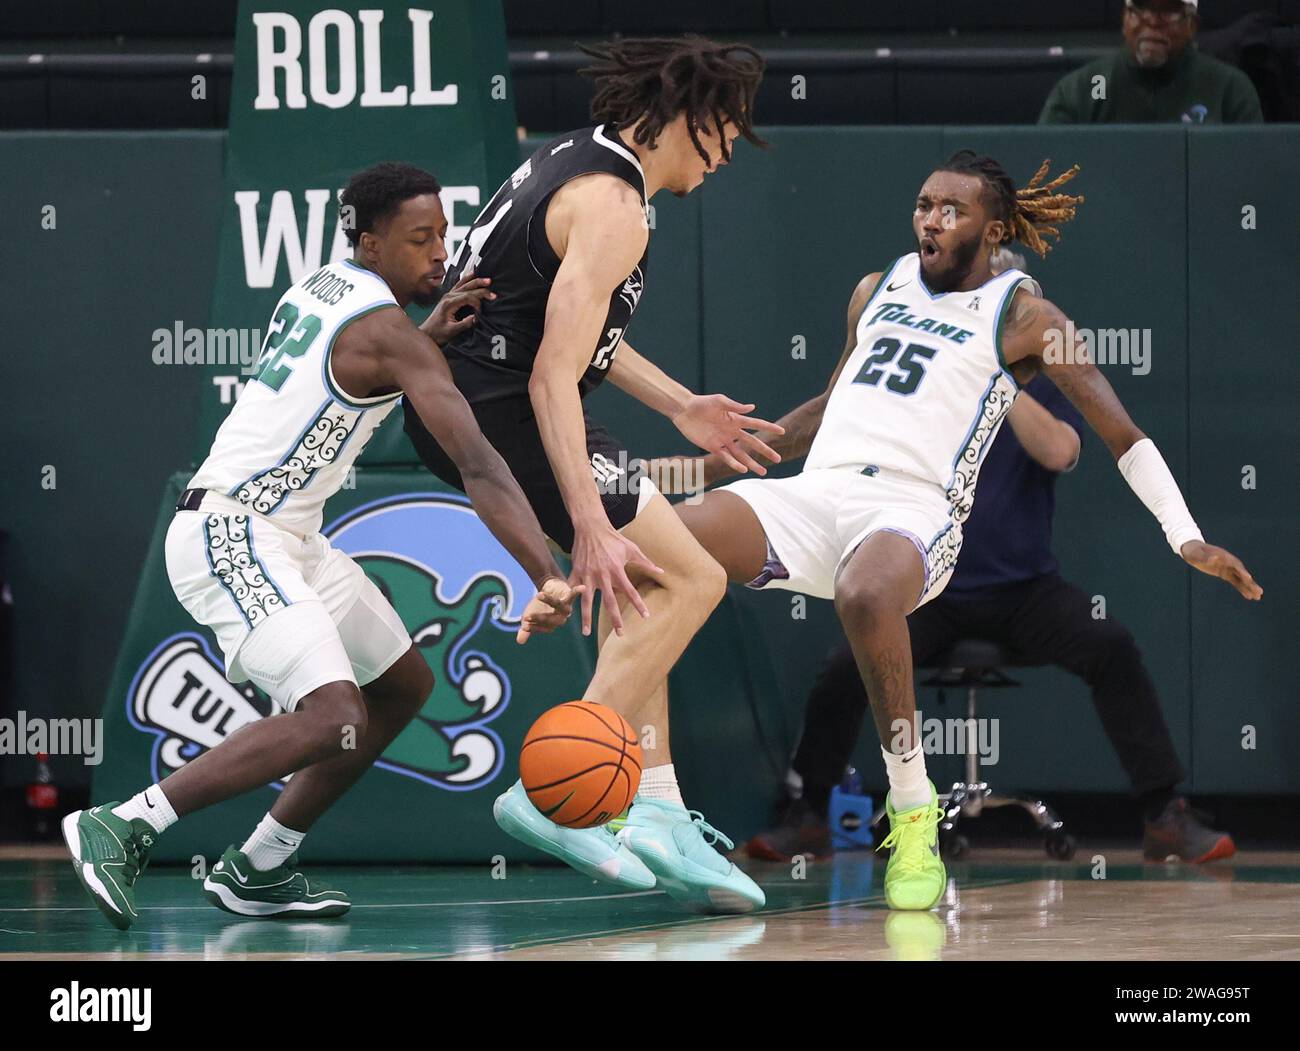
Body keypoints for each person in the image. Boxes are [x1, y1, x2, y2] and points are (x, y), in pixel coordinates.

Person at [651, 150, 1261, 911]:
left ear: (994, 229)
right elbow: (823, 414)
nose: (929, 220)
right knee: (659, 540)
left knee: (866, 593)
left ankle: (912, 812)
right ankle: (653, 799)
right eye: (922, 205)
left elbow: (1119, 432)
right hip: (817, 493)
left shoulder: (1029, 318)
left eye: (951, 209)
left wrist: (1185, 535)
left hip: (915, 514)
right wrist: (675, 475)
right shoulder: (876, 288)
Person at [63, 163, 581, 930]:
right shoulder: (388, 336)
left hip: (290, 535)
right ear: (370, 243)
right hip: (231, 531)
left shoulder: (324, 286)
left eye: (443, 233)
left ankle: (261, 864)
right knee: (330, 711)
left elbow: (351, 364)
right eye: (418, 239)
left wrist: (425, 334)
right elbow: (478, 463)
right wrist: (548, 571)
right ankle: (126, 822)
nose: (440, 254)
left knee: (401, 685)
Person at [403, 36, 780, 914]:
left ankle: (655, 807)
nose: (727, 156)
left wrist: (680, 403)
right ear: (685, 119)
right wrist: (590, 522)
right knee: (690, 575)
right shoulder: (617, 206)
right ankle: (551, 789)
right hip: (501, 409)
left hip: (468, 399)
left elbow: (571, 333)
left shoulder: (578, 159)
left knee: (652, 586)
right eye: (725, 133)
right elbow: (548, 376)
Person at [746, 372, 1235, 866]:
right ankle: (809, 815)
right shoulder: (929, 383)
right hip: (928, 586)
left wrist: (1001, 382)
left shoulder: (1039, 387)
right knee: (846, 663)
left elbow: (1060, 452)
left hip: (1025, 591)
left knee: (1111, 645)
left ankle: (1163, 815)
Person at [1039, 0, 1263, 124]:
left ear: (1192, 25)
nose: (1153, 22)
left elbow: (1252, 175)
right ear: (1125, 19)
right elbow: (1044, 183)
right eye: (1141, 8)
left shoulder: (1230, 90)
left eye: (1168, 11)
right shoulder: (1077, 91)